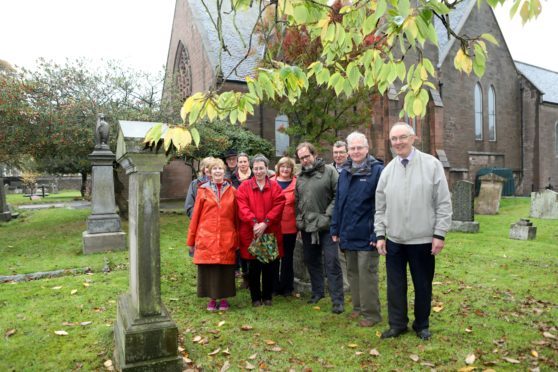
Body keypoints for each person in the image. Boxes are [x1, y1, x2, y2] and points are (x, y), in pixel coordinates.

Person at [374, 122, 452, 340]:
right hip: (395, 241)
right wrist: (380, 235)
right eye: (394, 139)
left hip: (423, 239)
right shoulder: (387, 171)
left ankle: (422, 324)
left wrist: (439, 233)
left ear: (413, 138)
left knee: (422, 285)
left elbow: (443, 202)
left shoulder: (432, 165)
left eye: (402, 137)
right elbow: (380, 207)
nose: (398, 142)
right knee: (395, 286)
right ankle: (397, 324)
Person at [331, 132, 384, 327]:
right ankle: (358, 308)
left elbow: (381, 205)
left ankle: (372, 314)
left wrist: (376, 233)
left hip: (367, 233)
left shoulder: (377, 171)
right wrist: (335, 228)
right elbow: (339, 203)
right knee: (353, 272)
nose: (355, 151)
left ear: (367, 148)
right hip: (347, 232)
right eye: (352, 148)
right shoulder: (344, 172)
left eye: (359, 147)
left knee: (367, 273)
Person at [295, 142, 345, 314]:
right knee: (311, 260)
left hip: (327, 226)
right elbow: (298, 201)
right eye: (301, 158)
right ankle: (317, 292)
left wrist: (327, 215)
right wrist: (299, 220)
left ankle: (337, 299)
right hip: (307, 227)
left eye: (307, 156)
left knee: (331, 262)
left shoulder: (329, 172)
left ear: (314, 154)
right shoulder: (300, 177)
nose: (305, 160)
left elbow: (339, 195)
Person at [186, 158, 239, 312]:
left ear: (224, 171)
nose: (217, 171)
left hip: (226, 235)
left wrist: (237, 238)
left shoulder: (232, 191)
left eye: (220, 169)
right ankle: (211, 299)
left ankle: (223, 299)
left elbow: (236, 217)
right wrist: (191, 240)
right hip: (206, 235)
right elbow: (195, 217)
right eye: (214, 169)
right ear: (209, 172)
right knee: (210, 268)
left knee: (225, 268)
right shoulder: (202, 191)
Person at [237, 154, 286, 307]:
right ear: (252, 169)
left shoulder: (275, 186)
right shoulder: (244, 187)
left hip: (270, 231)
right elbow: (242, 207)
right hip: (251, 233)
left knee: (269, 266)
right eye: (256, 168)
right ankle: (255, 298)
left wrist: (265, 223)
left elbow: (279, 205)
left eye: (261, 168)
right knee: (254, 267)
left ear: (267, 168)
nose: (258, 171)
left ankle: (267, 296)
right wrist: (254, 223)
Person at [270, 156, 297, 296]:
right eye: (283, 166)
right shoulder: (270, 182)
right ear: (278, 168)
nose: (285, 169)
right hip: (273, 226)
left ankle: (287, 287)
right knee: (273, 257)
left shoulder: (296, 183)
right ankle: (274, 286)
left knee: (287, 258)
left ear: (292, 169)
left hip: (289, 227)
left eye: (288, 167)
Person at [331, 140, 350, 293]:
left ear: (347, 153)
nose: (338, 155)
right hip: (334, 217)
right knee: (338, 254)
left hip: (350, 217)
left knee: (350, 253)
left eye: (341, 152)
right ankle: (344, 284)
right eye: (336, 153)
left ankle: (352, 282)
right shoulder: (328, 170)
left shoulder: (352, 169)